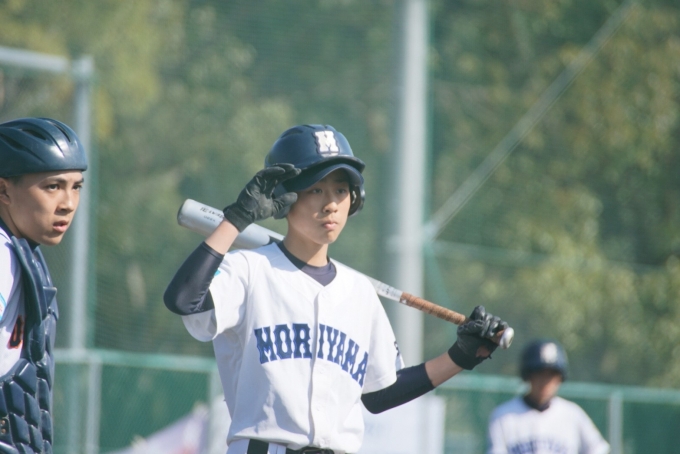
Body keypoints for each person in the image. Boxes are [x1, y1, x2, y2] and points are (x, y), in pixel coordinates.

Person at [164, 124, 509, 454]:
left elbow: (380, 394)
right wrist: (237, 219)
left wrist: (460, 357)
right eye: (316, 189)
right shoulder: (249, 270)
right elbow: (183, 299)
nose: (331, 203)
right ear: (283, 197)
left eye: (341, 190)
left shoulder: (360, 293)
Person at [0, 117, 88, 453]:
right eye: (53, 186)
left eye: (76, 187)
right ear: (4, 190)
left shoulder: (25, 251)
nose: (68, 203)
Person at [487, 339, 610, 454]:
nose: (545, 381)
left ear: (560, 378)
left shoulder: (573, 415)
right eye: (539, 373)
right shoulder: (503, 416)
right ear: (528, 375)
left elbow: (599, 449)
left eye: (551, 374)